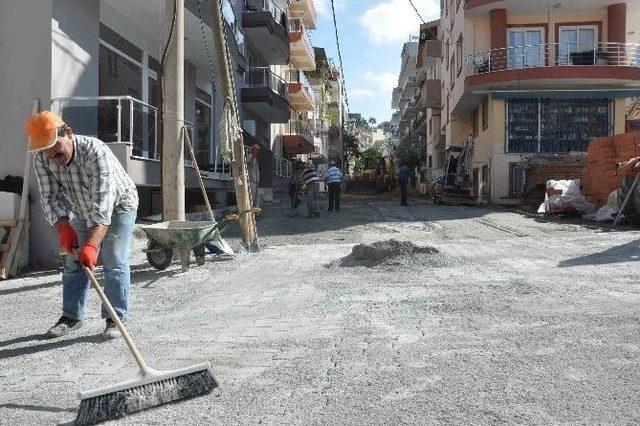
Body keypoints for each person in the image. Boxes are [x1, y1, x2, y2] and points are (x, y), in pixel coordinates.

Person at [26, 111, 139, 340]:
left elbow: (103, 203)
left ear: (67, 132)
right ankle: (71, 316)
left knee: (114, 260)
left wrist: (92, 245)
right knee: (72, 262)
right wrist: (64, 229)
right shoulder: (42, 158)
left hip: (118, 206)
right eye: (45, 149)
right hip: (80, 208)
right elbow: (50, 198)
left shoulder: (94, 152)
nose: (51, 154)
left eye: (54, 145)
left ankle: (115, 318)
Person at [246, 143, 261, 208]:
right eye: (256, 149)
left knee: (255, 195)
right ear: (253, 150)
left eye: (258, 150)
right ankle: (251, 209)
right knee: (252, 195)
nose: (258, 151)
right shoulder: (250, 156)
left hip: (255, 179)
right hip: (251, 179)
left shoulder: (255, 158)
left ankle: (255, 210)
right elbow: (246, 163)